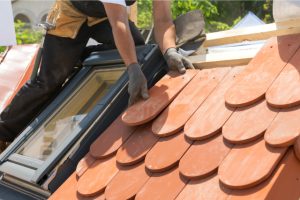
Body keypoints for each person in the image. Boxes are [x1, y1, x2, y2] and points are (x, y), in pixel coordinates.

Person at [0, 0, 194, 143]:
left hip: (102, 15)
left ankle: (75, 56)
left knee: (137, 49)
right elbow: (119, 23)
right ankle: (3, 132)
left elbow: (163, 18)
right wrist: (132, 68)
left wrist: (169, 50)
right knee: (49, 80)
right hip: (71, 11)